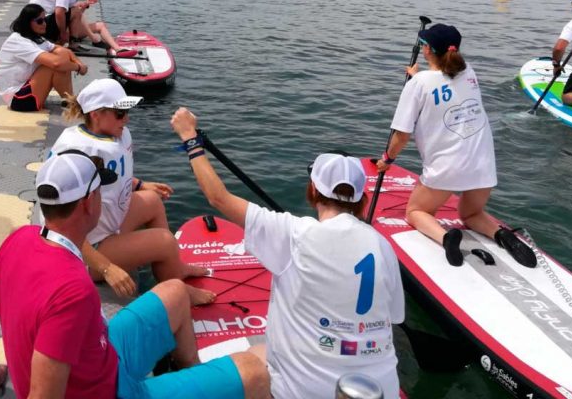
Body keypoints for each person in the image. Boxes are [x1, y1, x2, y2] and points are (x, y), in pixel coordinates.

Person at [0, 148, 270, 399]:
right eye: (100, 190)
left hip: (102, 357)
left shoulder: (20, 238)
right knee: (256, 371)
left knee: (175, 291)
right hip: (111, 392)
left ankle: (191, 373)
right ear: (87, 204)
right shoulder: (73, 289)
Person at [172, 107, 401, 399]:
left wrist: (190, 137)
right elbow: (392, 317)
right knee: (263, 350)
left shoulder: (295, 233)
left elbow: (218, 197)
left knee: (247, 364)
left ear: (313, 192)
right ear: (361, 200)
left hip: (305, 392)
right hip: (382, 390)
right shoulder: (382, 245)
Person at [377, 23, 536, 268]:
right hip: (483, 164)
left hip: (447, 167)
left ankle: (446, 237)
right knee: (471, 214)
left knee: (416, 212)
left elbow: (402, 135)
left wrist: (387, 160)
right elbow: (444, 82)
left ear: (428, 50)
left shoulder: (417, 84)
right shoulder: (469, 72)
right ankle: (500, 234)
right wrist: (416, 78)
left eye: (423, 45)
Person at [53, 80, 215, 304]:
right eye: (119, 113)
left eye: (126, 111)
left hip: (105, 227)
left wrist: (139, 184)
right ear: (97, 114)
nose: (126, 119)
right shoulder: (78, 152)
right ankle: (178, 293)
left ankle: (173, 269)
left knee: (152, 201)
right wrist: (107, 268)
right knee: (165, 241)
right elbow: (59, 228)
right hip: (84, 252)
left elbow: (112, 175)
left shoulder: (118, 135)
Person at [0, 4, 87, 112]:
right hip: (19, 99)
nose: (44, 24)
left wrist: (79, 63)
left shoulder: (36, 37)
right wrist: (78, 67)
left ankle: (70, 101)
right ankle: (71, 102)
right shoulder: (19, 41)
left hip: (27, 91)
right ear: (28, 23)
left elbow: (62, 50)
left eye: (44, 20)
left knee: (62, 56)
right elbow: (56, 64)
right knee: (55, 65)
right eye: (39, 21)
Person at [30, 0, 123, 52]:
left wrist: (86, 4)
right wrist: (63, 34)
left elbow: (75, 15)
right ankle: (89, 41)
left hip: (44, 22)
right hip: (43, 25)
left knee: (101, 25)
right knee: (80, 14)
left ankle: (115, 47)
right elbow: (60, 13)